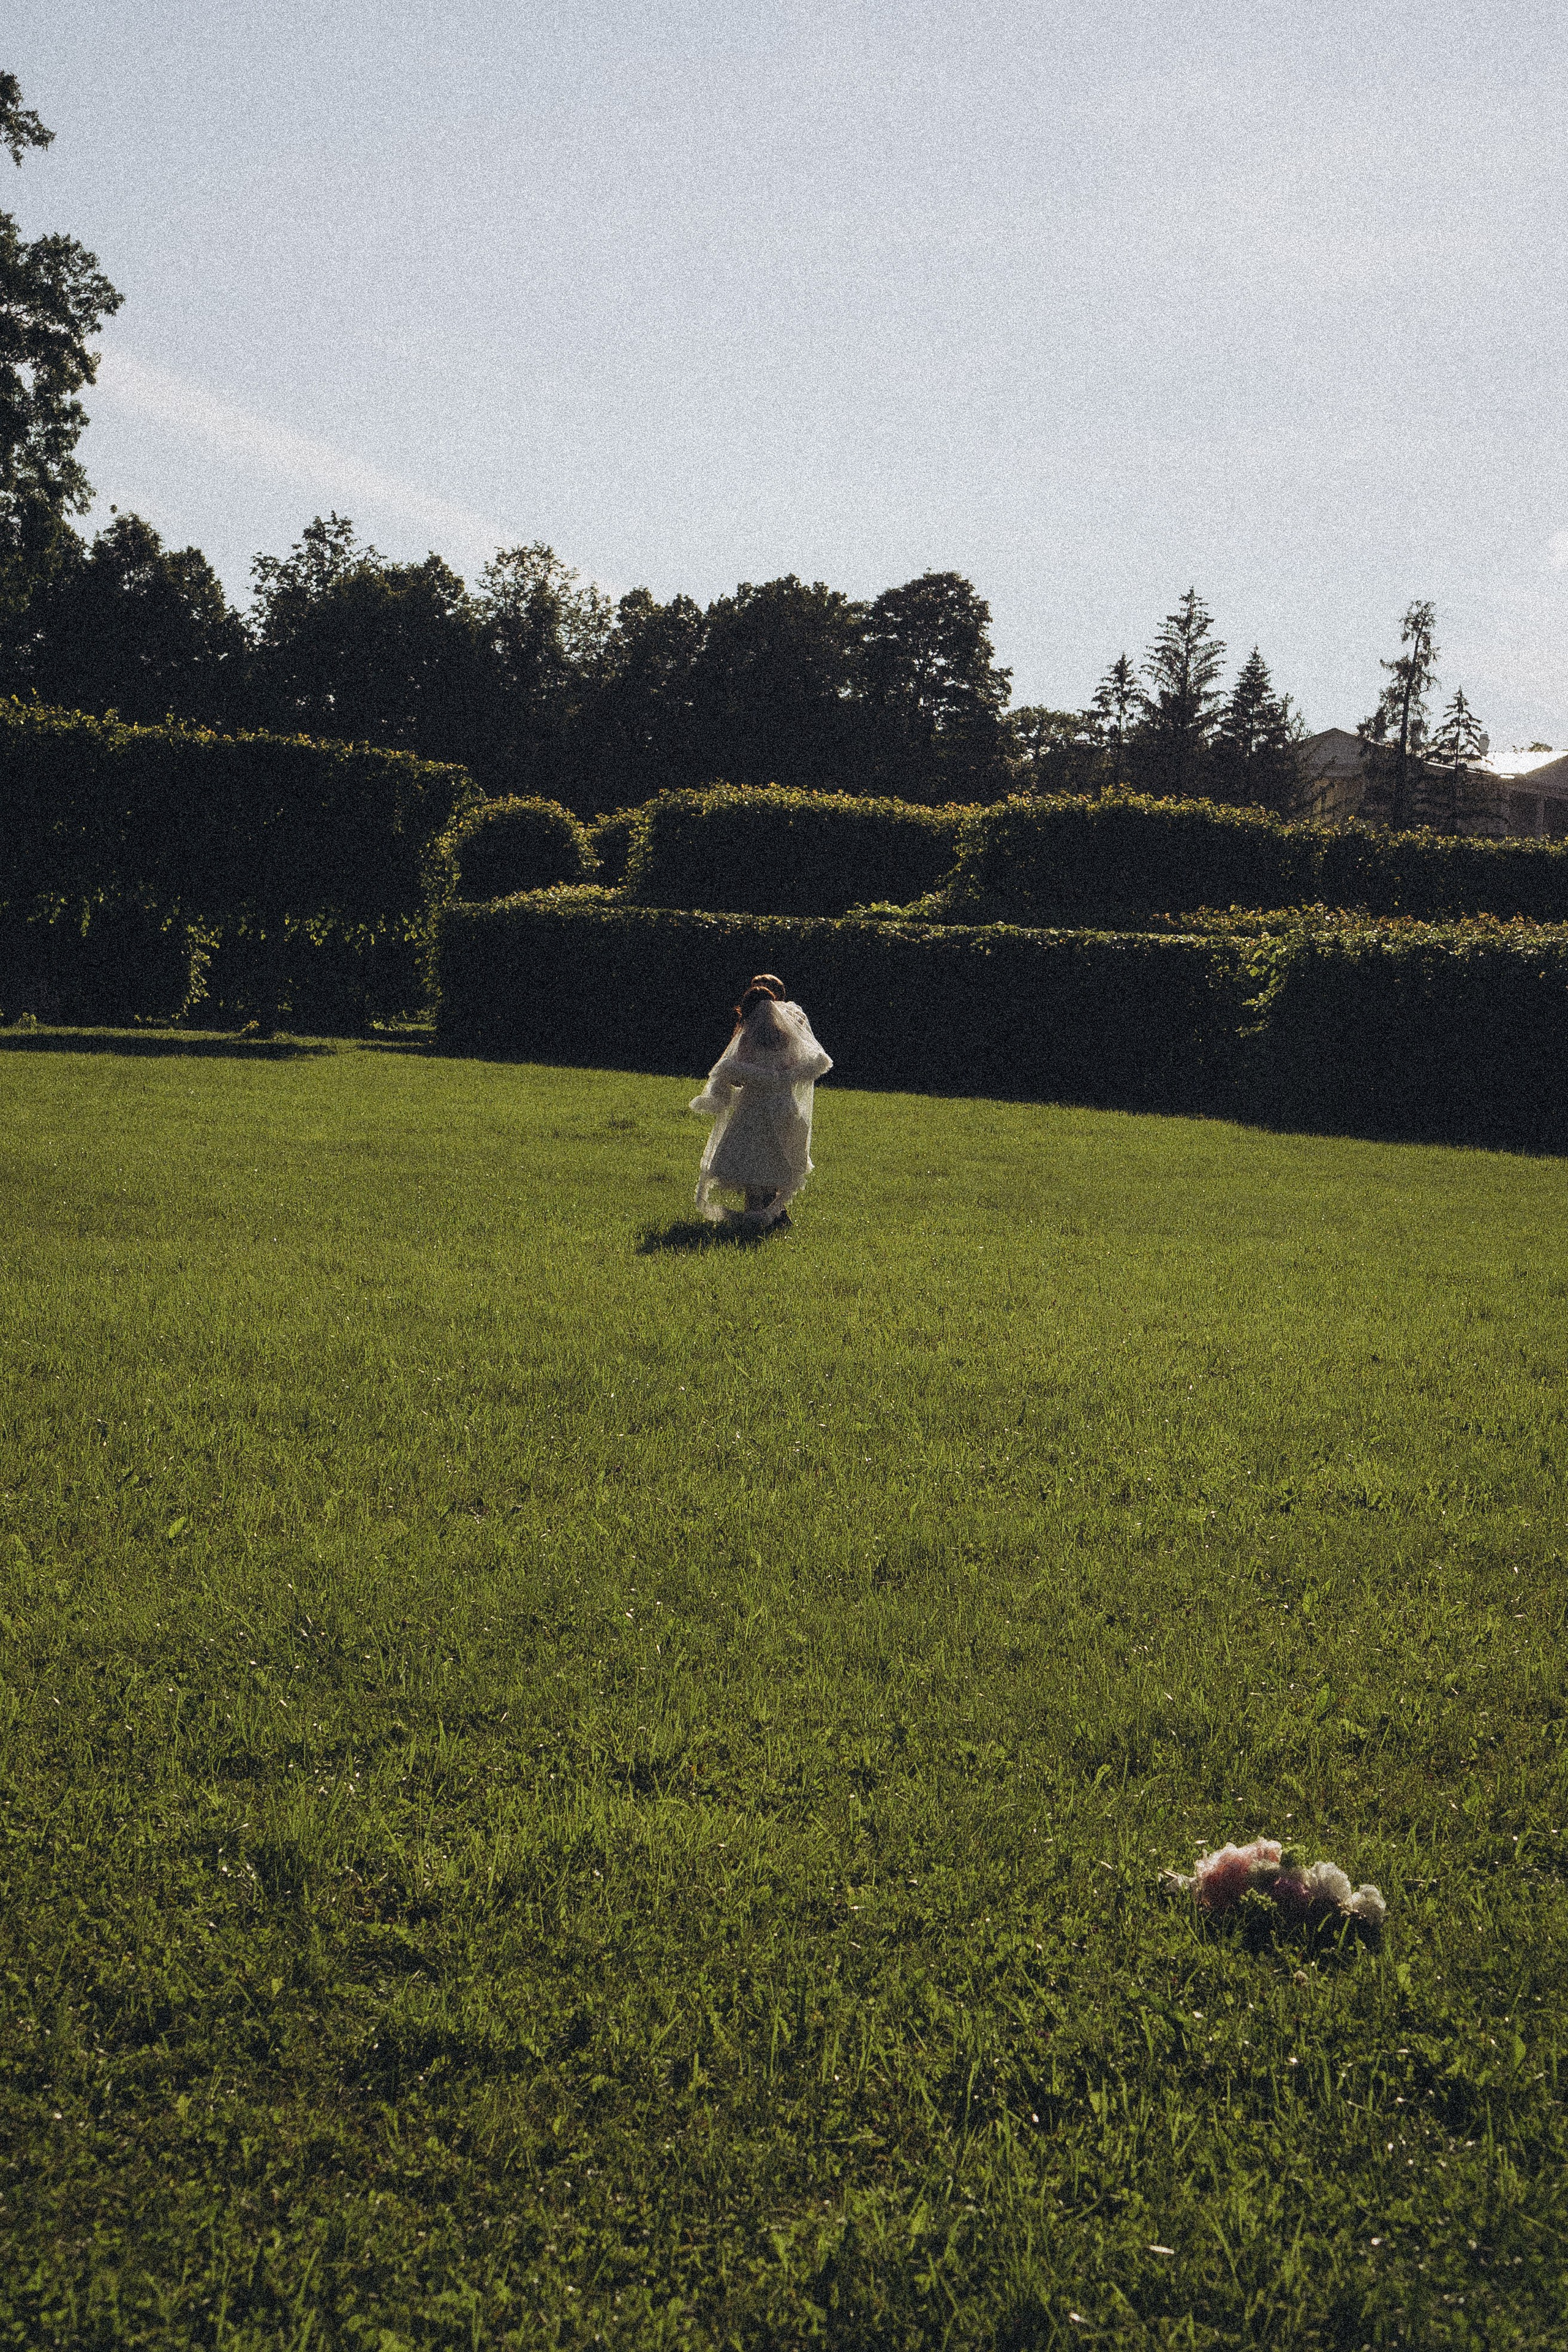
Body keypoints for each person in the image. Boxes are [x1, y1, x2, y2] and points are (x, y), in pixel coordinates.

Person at [690, 975, 832, 1227]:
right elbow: (806, 1065)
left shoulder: (747, 1039)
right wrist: (781, 1079)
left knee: (753, 1162)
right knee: (777, 1160)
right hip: (786, 1107)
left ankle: (754, 1220)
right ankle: (775, 1216)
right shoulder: (788, 1038)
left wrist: (747, 1080)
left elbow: (735, 1076)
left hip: (754, 1109)